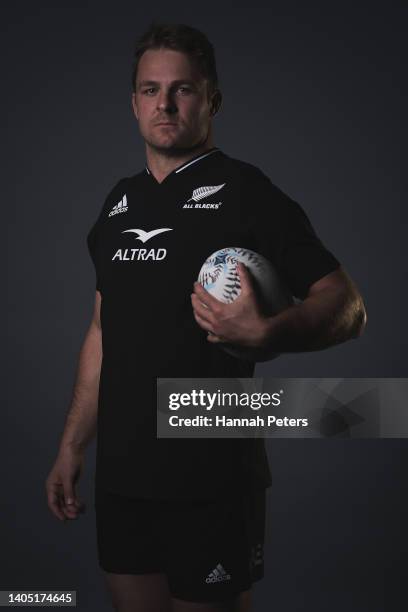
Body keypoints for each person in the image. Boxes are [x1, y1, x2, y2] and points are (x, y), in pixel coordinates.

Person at [45, 22, 367, 612]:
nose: (164, 104)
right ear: (134, 103)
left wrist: (271, 331)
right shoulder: (118, 204)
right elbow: (101, 331)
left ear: (211, 100)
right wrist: (72, 447)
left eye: (183, 89)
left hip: (210, 474)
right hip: (122, 479)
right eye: (149, 90)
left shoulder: (249, 192)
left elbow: (347, 306)